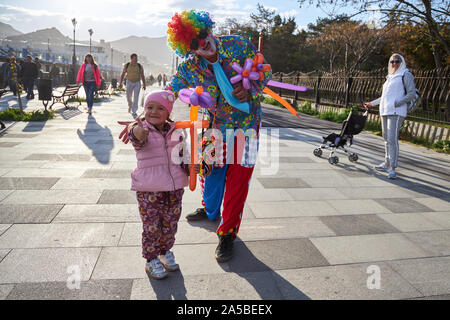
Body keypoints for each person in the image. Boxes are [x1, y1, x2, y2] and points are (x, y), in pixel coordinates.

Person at [120, 10, 272, 263]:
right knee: (210, 172)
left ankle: (227, 233)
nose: (203, 43)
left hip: (248, 127)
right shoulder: (191, 67)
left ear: (208, 28)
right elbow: (168, 92)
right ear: (188, 49)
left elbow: (264, 70)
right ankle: (210, 211)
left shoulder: (238, 44)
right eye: (194, 44)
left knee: (238, 181)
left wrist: (253, 89)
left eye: (202, 35)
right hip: (214, 128)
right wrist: (144, 118)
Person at [128, 90, 189, 280]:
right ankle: (151, 259)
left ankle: (165, 252)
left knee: (170, 224)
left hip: (174, 188)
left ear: (168, 112)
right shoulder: (142, 129)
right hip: (149, 189)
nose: (153, 111)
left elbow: (182, 156)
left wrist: (193, 166)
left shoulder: (176, 131)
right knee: (152, 226)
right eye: (149, 107)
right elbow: (135, 136)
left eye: (160, 108)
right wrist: (138, 131)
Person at [364, 53, 417, 179]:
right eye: (392, 61)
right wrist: (372, 103)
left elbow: (412, 94)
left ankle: (392, 168)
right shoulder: (390, 77)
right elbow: (385, 96)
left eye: (397, 61)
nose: (394, 63)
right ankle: (387, 162)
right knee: (386, 137)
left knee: (392, 139)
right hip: (385, 110)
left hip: (396, 112)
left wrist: (397, 103)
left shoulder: (405, 74)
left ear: (402, 62)